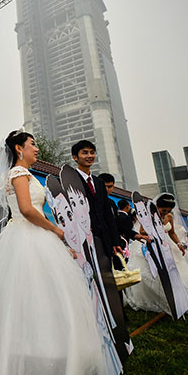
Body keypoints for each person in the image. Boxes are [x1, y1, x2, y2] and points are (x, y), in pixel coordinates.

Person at [0, 130, 107, 375]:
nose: (36, 149)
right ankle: (38, 356)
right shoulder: (18, 173)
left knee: (43, 296)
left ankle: (49, 352)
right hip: (26, 237)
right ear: (19, 149)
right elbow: (27, 209)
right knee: (35, 295)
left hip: (33, 235)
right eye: (33, 144)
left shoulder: (25, 174)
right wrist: (55, 230)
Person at [70, 140, 129, 362]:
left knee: (108, 279)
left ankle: (116, 321)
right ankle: (92, 324)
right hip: (83, 240)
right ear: (75, 157)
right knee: (87, 281)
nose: (90, 156)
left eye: (92, 152)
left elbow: (107, 213)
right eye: (85, 152)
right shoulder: (70, 180)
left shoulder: (97, 181)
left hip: (103, 239)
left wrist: (114, 240)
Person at [126, 194, 188, 314]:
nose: (165, 213)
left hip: (168, 246)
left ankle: (183, 299)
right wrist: (157, 228)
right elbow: (142, 231)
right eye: (163, 210)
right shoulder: (148, 216)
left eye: (168, 211)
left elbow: (171, 233)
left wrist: (178, 244)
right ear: (157, 206)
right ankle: (160, 299)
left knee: (179, 273)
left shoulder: (169, 217)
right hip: (153, 245)